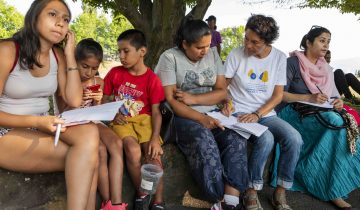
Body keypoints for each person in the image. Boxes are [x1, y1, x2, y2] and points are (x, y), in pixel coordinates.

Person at [0, 1, 99, 210]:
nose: (61, 23)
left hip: (41, 126)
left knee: (90, 135)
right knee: (89, 158)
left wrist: (70, 54)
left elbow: (73, 100)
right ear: (35, 17)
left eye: (65, 19)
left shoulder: (58, 56)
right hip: (6, 131)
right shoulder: (7, 50)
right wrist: (36, 121)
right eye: (52, 15)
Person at [155, 17, 247, 210]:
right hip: (182, 117)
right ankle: (219, 200)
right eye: (199, 47)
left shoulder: (212, 54)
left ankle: (231, 201)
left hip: (212, 112)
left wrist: (195, 99)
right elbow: (172, 101)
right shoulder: (169, 58)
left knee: (236, 139)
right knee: (203, 140)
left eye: (207, 46)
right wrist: (201, 118)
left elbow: (223, 91)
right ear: (185, 44)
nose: (204, 51)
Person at [274, 25, 360, 210]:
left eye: (328, 42)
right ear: (308, 42)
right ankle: (330, 189)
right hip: (293, 112)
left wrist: (337, 102)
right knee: (335, 122)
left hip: (321, 112)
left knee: (341, 124)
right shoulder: (292, 63)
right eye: (322, 41)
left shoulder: (326, 68)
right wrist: (308, 98)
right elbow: (280, 95)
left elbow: (334, 96)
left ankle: (334, 186)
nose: (326, 45)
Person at [221, 14, 302, 210]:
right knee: (266, 139)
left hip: (264, 114)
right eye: (246, 38)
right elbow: (223, 85)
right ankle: (251, 190)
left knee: (294, 138)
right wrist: (226, 100)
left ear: (267, 42)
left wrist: (258, 114)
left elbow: (278, 96)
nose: (248, 45)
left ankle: (281, 191)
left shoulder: (279, 58)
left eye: (254, 42)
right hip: (238, 111)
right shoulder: (236, 54)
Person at [102, 29, 166, 210]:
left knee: (154, 156)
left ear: (142, 52)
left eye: (126, 51)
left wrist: (155, 138)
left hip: (145, 120)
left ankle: (158, 202)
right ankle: (142, 194)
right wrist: (113, 114)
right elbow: (104, 101)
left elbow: (155, 112)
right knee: (132, 149)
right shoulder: (115, 73)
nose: (121, 56)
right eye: (119, 51)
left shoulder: (152, 79)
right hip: (122, 121)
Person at [71, 38, 128, 210]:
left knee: (117, 143)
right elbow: (65, 109)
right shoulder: (68, 81)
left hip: (91, 119)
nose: (89, 72)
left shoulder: (98, 82)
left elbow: (96, 111)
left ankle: (116, 203)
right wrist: (79, 99)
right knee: (101, 150)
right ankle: (106, 201)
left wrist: (97, 101)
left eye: (94, 68)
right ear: (75, 62)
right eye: (85, 66)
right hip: (72, 121)